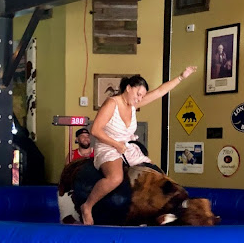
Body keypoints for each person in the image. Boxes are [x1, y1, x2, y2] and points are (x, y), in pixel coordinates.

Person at [80, 66, 197, 225]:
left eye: (142, 95)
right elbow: (95, 130)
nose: (139, 98)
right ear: (128, 88)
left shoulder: (134, 104)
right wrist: (116, 144)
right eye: (138, 94)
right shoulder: (112, 103)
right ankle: (87, 206)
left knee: (154, 172)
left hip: (127, 147)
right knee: (115, 178)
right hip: (108, 146)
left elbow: (160, 91)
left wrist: (182, 77)